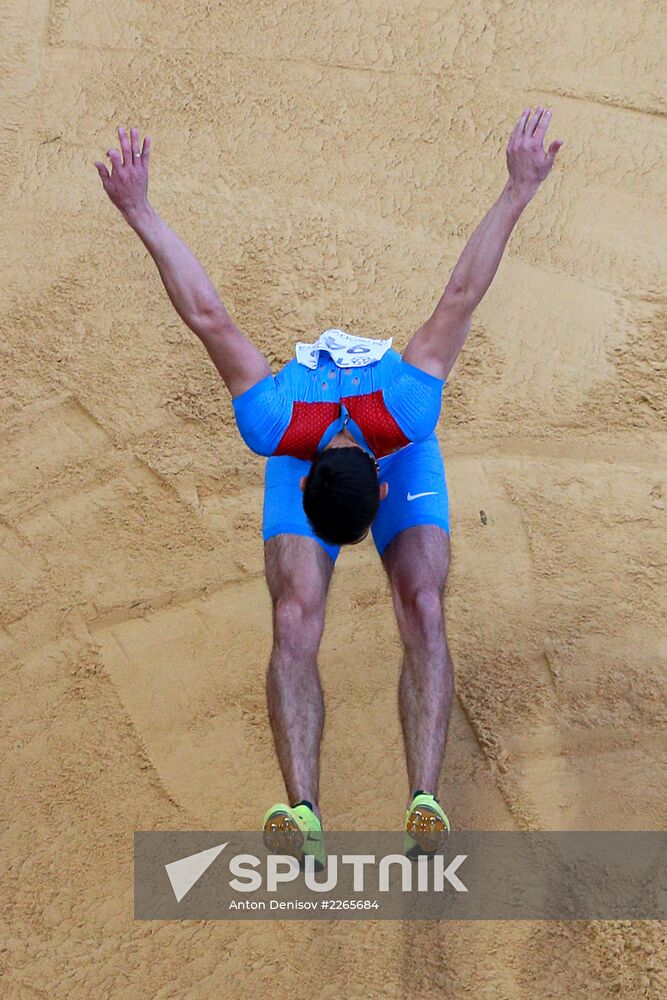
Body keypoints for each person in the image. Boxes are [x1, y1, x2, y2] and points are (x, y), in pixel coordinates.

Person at [95, 108, 563, 864]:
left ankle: (416, 802)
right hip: (378, 448)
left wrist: (141, 212)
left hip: (392, 451)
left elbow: (209, 316)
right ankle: (309, 814)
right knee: (382, 611)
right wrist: (517, 190)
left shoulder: (288, 422)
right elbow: (459, 296)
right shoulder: (391, 404)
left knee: (359, 609)